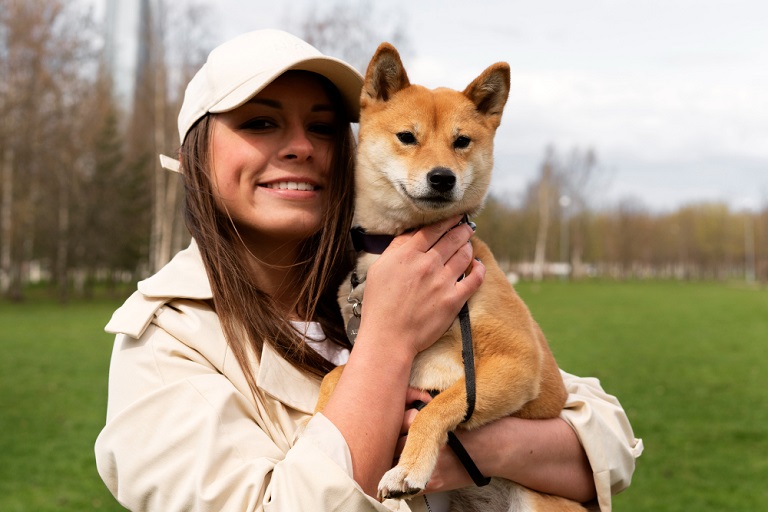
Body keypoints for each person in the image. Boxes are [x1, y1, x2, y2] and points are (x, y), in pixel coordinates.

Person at [95, 29, 642, 512]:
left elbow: (608, 442)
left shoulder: (402, 267)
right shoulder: (168, 342)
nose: (300, 147)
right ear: (195, 152)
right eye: (260, 123)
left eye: (325, 128)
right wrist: (388, 338)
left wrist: (473, 450)